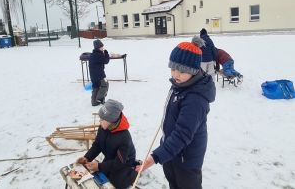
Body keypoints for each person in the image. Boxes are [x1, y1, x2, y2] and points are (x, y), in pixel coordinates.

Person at [136, 40, 216, 189]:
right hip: (171, 152)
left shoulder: (196, 99)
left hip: (186, 159)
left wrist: (155, 157)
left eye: (181, 71)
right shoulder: (179, 85)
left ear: (193, 70)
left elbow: (182, 134)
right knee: (174, 183)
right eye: (173, 69)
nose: (175, 74)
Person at [76, 99, 138, 189]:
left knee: (115, 184)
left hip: (124, 162)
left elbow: (119, 163)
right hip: (111, 158)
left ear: (111, 121)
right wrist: (87, 157)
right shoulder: (103, 127)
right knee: (100, 176)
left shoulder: (124, 137)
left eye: (102, 119)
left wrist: (99, 166)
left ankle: (133, 170)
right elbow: (97, 144)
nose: (99, 121)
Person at [89, 39, 110, 106]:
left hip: (93, 75)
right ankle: (99, 99)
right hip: (99, 74)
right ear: (98, 47)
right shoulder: (98, 54)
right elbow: (106, 61)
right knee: (105, 85)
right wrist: (106, 54)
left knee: (96, 87)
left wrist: (103, 54)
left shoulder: (93, 54)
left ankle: (94, 102)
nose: (103, 48)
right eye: (101, 47)